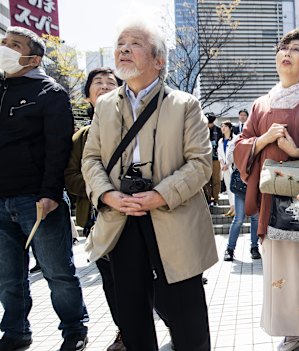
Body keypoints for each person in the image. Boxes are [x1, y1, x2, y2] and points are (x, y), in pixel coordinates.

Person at [81, 17, 217, 350]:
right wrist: (108, 195)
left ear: (159, 61)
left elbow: (200, 163)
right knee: (132, 312)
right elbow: (91, 160)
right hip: (122, 217)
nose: (123, 49)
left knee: (186, 311)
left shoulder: (185, 105)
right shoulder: (105, 108)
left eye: (135, 44)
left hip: (174, 217)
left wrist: (159, 194)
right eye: (120, 44)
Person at [233, 29, 299, 351]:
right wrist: (263, 140)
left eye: (296, 49)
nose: (287, 53)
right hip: (269, 199)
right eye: (283, 48)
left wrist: (297, 150)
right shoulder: (261, 104)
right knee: (277, 266)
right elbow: (242, 146)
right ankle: (293, 332)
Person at [0, 26, 89, 351]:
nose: (5, 48)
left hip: (37, 200)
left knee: (58, 273)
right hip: (1, 200)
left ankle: (74, 330)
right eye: (3, 43)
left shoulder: (49, 93)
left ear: (34, 57)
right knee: (8, 277)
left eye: (14, 45)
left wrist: (50, 193)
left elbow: (58, 150)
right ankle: (15, 332)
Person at [64, 67, 124, 351]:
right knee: (112, 283)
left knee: (153, 277)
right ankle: (125, 332)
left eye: (110, 82)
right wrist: (103, 190)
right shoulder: (80, 138)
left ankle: (173, 323)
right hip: (100, 220)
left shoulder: (135, 126)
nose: (103, 86)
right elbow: (71, 177)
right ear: (87, 96)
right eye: (97, 83)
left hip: (139, 214)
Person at [223, 131, 260, 261]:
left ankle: (254, 248)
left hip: (254, 184)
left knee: (255, 218)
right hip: (240, 186)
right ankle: (229, 249)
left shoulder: (259, 138)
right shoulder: (238, 139)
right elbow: (229, 159)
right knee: (239, 218)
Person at [218, 121, 235, 216]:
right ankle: (231, 207)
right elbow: (220, 154)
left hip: (232, 166)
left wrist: (227, 164)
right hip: (224, 168)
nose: (223, 128)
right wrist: (222, 164)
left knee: (234, 187)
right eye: (221, 126)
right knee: (228, 187)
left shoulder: (235, 139)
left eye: (225, 126)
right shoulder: (220, 141)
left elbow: (235, 154)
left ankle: (236, 207)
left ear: (230, 128)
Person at [206, 113, 223, 206]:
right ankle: (208, 199)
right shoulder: (202, 130)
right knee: (206, 180)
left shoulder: (219, 130)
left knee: (216, 179)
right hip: (205, 158)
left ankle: (215, 199)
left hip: (216, 158)